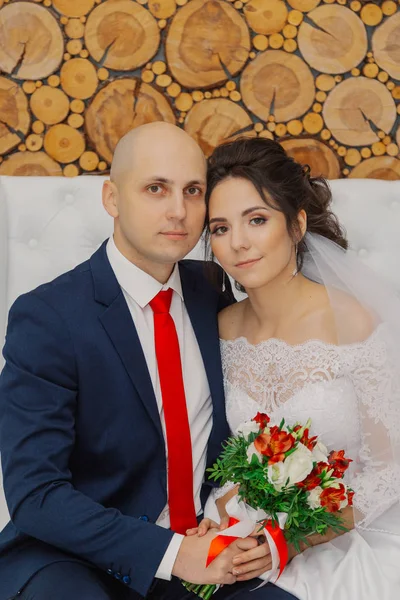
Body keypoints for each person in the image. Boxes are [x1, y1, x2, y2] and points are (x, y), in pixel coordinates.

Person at [0, 123, 297, 600]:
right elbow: (35, 494)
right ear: (112, 198)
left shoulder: (213, 290)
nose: (178, 211)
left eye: (193, 191)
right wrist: (173, 553)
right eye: (155, 189)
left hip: (207, 550)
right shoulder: (48, 317)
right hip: (75, 558)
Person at [198, 136, 400, 599]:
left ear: (297, 224)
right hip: (243, 541)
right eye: (221, 228)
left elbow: (389, 474)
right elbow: (221, 453)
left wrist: (291, 539)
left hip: (345, 543)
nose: (238, 243)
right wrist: (221, 513)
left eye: (257, 220)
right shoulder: (219, 329)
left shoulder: (355, 321)